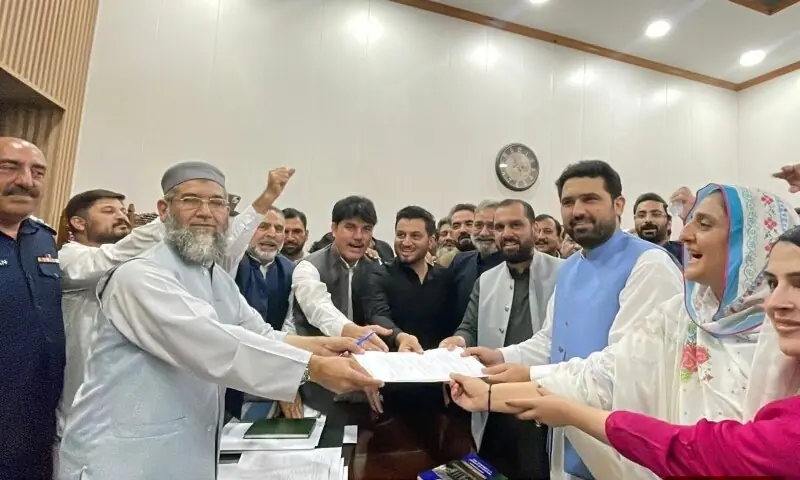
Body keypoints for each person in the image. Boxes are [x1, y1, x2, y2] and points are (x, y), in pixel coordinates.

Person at [449, 184, 799, 479]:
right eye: (568, 202)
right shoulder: (682, 316)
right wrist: (498, 387)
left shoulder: (781, 336)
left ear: (752, 243)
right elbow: (606, 370)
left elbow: (715, 450)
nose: (686, 233)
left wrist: (563, 407)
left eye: (704, 224)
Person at [57, 162, 382, 480]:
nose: (206, 212)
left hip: (183, 447)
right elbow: (211, 343)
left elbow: (256, 331)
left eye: (217, 203)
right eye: (190, 200)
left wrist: (326, 345)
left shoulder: (213, 274)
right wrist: (313, 368)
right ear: (164, 210)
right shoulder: (139, 275)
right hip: (122, 456)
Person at [457, 160, 682, 480]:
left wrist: (528, 376)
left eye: (590, 199)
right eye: (568, 202)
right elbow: (551, 339)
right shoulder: (571, 267)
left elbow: (624, 367)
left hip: (620, 436)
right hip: (568, 428)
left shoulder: (649, 265)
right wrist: (502, 356)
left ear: (618, 204)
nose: (577, 210)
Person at [57, 167, 291, 431]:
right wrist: (179, 216)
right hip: (89, 401)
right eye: (109, 211)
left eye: (122, 210)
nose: (122, 216)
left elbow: (229, 251)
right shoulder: (76, 259)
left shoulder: (206, 273)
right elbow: (211, 344)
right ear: (78, 222)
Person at [0, 137, 63, 480]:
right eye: (8, 167)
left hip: (35, 423)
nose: (26, 180)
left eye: (37, 171)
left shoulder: (43, 238)